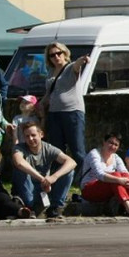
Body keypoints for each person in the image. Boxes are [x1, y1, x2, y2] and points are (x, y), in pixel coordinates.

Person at [39, 41, 89, 178]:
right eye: (52, 55)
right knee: (57, 150)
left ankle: (85, 180)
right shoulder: (50, 73)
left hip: (72, 112)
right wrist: (40, 104)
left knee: (77, 149)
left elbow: (77, 65)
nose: (56, 57)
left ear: (64, 53)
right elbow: (49, 93)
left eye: (58, 53)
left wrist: (82, 60)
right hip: (54, 114)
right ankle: (59, 179)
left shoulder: (70, 67)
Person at [11, 122, 77, 220]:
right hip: (28, 188)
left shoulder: (48, 148)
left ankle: (55, 207)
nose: (30, 139)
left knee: (69, 171)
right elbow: (19, 162)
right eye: (27, 136)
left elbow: (72, 162)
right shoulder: (19, 148)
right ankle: (30, 207)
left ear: (41, 134)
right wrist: (42, 179)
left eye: (33, 135)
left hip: (46, 188)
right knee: (20, 171)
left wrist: (53, 177)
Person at [80, 133, 129, 217]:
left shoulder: (116, 157)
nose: (112, 146)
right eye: (110, 142)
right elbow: (99, 174)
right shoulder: (94, 154)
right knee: (116, 176)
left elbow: (125, 172)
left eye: (116, 145)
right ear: (104, 142)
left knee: (123, 176)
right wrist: (119, 179)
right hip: (89, 189)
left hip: (108, 189)